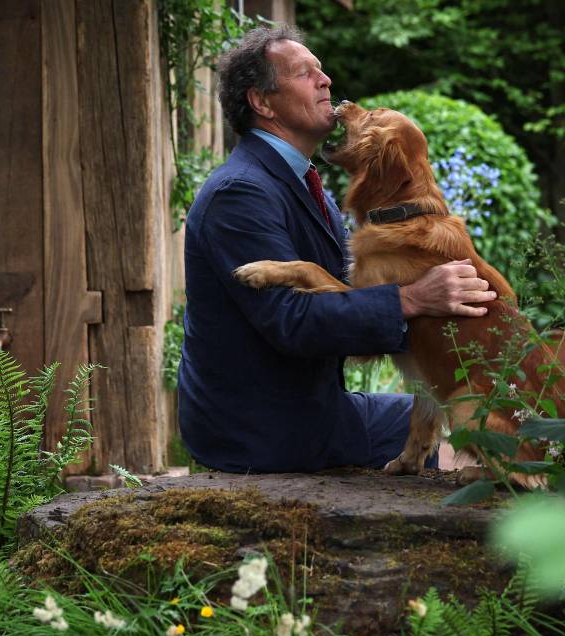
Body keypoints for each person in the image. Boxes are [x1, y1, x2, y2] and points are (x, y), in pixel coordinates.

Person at [177, 24, 497, 473]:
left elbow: (349, 299)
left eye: (322, 71)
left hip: (312, 405)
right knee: (454, 453)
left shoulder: (304, 183)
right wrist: (412, 299)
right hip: (259, 429)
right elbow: (292, 321)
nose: (325, 80)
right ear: (262, 102)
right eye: (305, 74)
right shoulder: (240, 192)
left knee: (456, 420)